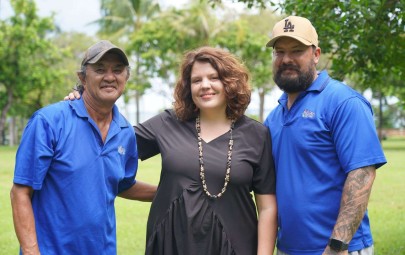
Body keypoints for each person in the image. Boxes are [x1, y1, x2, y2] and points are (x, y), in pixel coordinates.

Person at [66, 46, 278, 254]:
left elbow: (267, 208)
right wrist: (84, 100)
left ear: (230, 82)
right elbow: (108, 145)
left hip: (235, 245)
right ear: (188, 87)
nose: (205, 85)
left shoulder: (257, 135)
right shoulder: (168, 123)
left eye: (214, 78)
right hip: (171, 243)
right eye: (196, 80)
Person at [10, 40, 156, 255]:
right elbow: (20, 192)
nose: (109, 77)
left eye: (117, 70)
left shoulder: (125, 132)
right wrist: (32, 251)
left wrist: (171, 192)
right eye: (99, 70)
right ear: (82, 78)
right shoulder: (50, 121)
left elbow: (121, 184)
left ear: (126, 77)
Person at [263, 16, 387, 255]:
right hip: (289, 248)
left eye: (297, 50)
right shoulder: (274, 117)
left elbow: (362, 174)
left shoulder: (343, 102)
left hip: (339, 249)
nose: (286, 59)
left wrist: (337, 245)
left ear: (316, 54)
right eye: (279, 52)